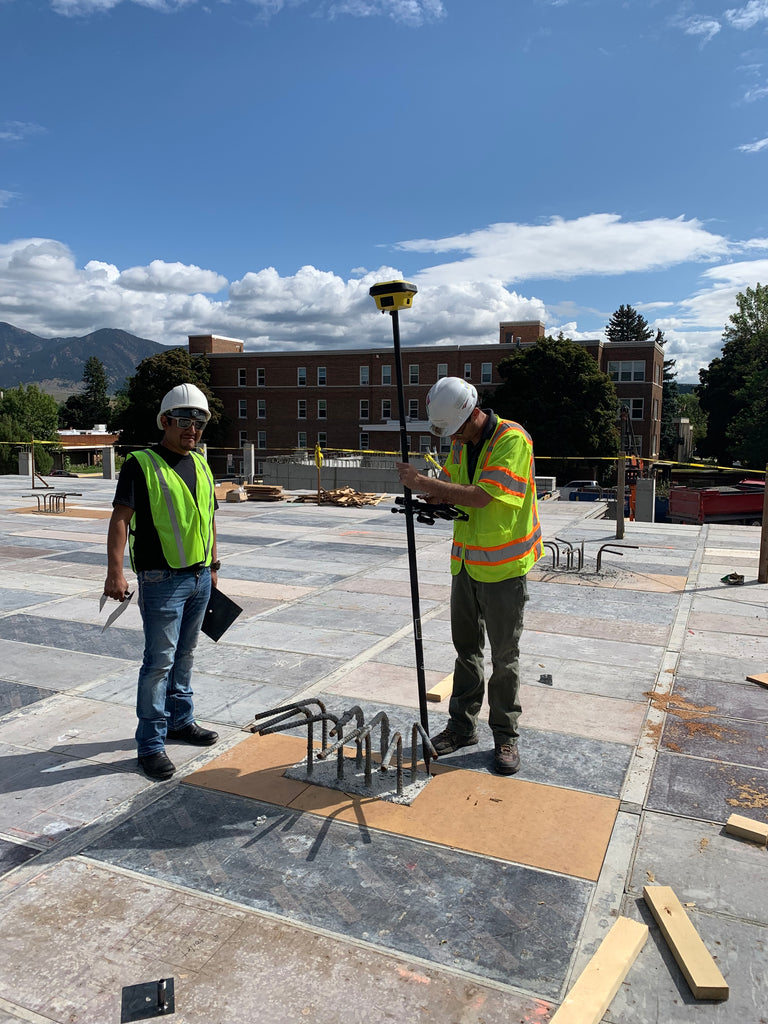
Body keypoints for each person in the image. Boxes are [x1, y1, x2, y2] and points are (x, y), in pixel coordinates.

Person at [396, 377, 542, 775]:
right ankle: (462, 727)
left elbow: (480, 495)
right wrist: (433, 492)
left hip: (504, 569)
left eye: (455, 430)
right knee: (466, 650)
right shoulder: (461, 442)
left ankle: (505, 733)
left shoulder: (513, 440)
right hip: (465, 564)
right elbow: (452, 487)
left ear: (472, 413)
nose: (453, 439)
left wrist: (426, 482)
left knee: (504, 657)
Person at [103, 383, 220, 781]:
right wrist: (115, 572)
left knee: (184, 657)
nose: (193, 428)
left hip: (199, 576)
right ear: (165, 421)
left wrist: (214, 565)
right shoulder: (141, 463)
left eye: (200, 421)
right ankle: (151, 745)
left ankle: (179, 721)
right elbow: (120, 519)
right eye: (185, 420)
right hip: (161, 579)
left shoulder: (202, 463)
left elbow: (209, 517)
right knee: (158, 664)